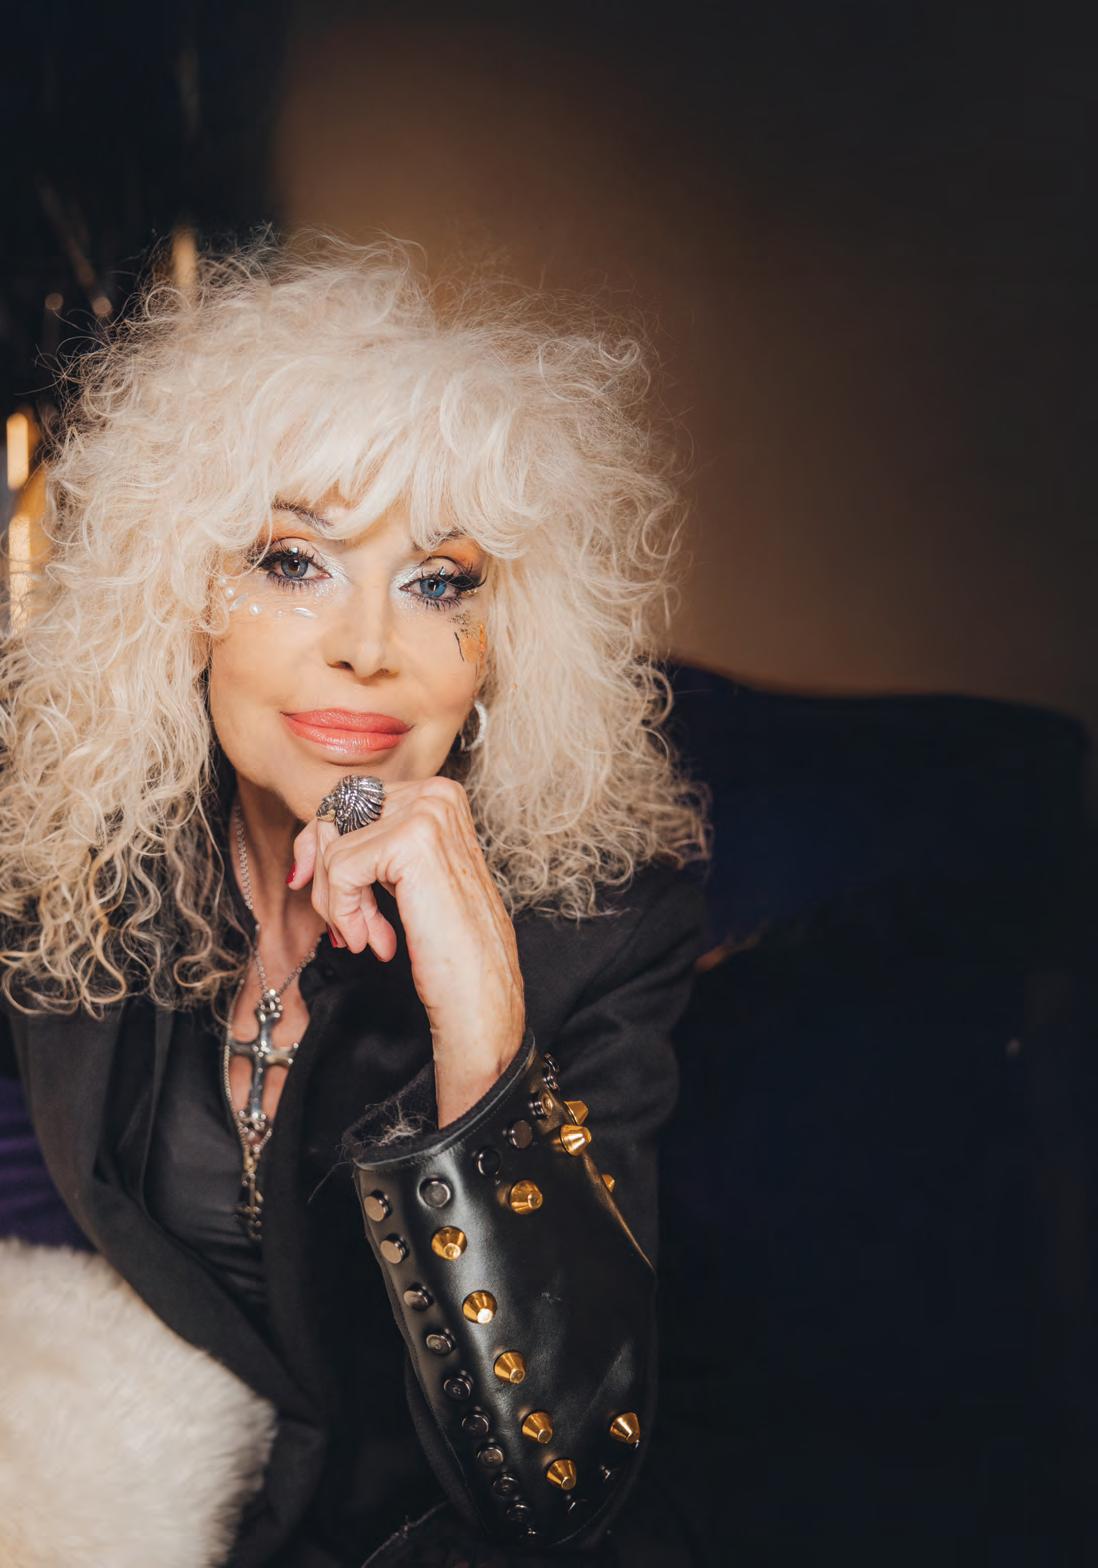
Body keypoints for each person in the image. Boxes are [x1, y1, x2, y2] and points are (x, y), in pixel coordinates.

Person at [0, 233, 713, 1566]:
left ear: (501, 642)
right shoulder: (77, 856)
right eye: (293, 561)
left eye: (440, 583)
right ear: (181, 594)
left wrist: (483, 1038)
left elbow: (559, 1491)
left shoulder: (605, 931)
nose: (371, 648)